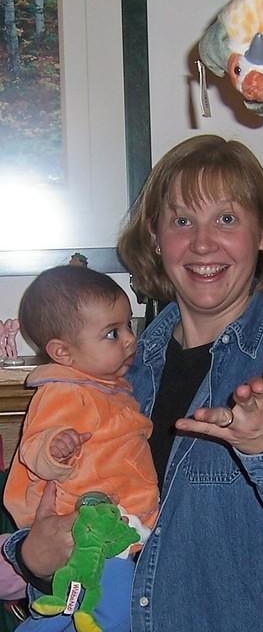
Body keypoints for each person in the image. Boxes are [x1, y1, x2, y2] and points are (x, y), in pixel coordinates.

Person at [5, 135, 263, 631]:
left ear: (262, 231)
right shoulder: (114, 372)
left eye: (226, 219)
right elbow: (52, 517)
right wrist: (32, 556)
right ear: (156, 237)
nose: (202, 243)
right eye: (181, 220)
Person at [5, 265, 159, 632]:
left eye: (127, 327)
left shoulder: (107, 385)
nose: (129, 340)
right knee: (115, 605)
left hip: (117, 524)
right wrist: (56, 449)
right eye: (111, 333)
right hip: (82, 524)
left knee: (74, 607)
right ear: (63, 352)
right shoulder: (65, 390)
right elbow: (35, 447)